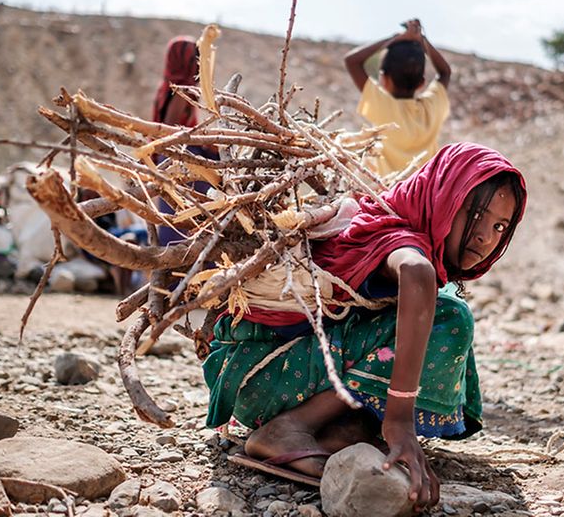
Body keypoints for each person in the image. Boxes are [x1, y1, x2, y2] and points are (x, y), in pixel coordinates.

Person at [203, 143, 527, 510]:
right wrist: (400, 420)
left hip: (271, 374)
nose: (485, 236)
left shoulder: (390, 216)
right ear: (444, 196)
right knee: (448, 320)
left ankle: (343, 428)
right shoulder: (399, 235)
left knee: (430, 317)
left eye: (499, 226)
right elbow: (416, 271)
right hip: (268, 375)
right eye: (476, 214)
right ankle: (288, 428)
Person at [343, 19, 452, 178]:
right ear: (422, 82)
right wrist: (422, 40)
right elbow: (445, 72)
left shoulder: (383, 106)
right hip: (422, 199)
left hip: (388, 196)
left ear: (384, 78)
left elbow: (352, 61)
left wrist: (394, 38)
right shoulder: (431, 108)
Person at [150, 36, 218, 245]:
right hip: (179, 162)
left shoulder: (169, 87)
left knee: (181, 224)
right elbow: (171, 132)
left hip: (174, 159)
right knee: (186, 224)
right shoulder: (182, 90)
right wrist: (203, 144)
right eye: (195, 59)